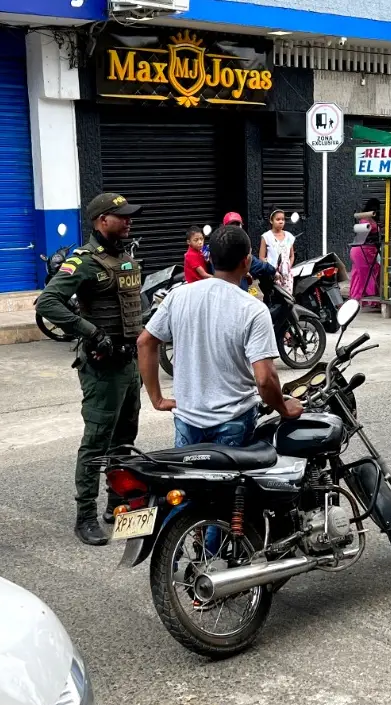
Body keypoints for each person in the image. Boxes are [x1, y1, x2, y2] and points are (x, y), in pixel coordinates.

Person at [35, 192, 145, 546]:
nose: (128, 222)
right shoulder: (83, 261)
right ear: (101, 221)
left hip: (129, 364)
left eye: (129, 217)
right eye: (121, 217)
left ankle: (117, 504)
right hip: (102, 368)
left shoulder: (125, 257)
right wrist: (91, 332)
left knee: (124, 439)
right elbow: (48, 302)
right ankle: (85, 516)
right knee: (96, 442)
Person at [139, 224, 304, 445]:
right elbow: (264, 379)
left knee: (191, 480)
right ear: (246, 261)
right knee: (234, 479)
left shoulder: (178, 296)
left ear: (211, 260)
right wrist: (284, 408)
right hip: (234, 421)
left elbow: (145, 342)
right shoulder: (252, 309)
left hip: (187, 419)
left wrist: (157, 399)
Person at [349, 198, 382, 306]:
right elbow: (362, 234)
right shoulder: (365, 220)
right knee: (367, 273)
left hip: (363, 250)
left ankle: (360, 297)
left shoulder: (368, 219)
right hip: (364, 250)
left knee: (362, 273)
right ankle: (367, 298)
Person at [259, 209, 296, 291]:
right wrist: (272, 271)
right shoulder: (266, 237)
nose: (281, 222)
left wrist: (288, 267)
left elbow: (291, 256)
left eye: (283, 219)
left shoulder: (289, 237)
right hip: (271, 276)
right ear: (271, 221)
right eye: (278, 219)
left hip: (286, 277)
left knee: (287, 299)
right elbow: (261, 257)